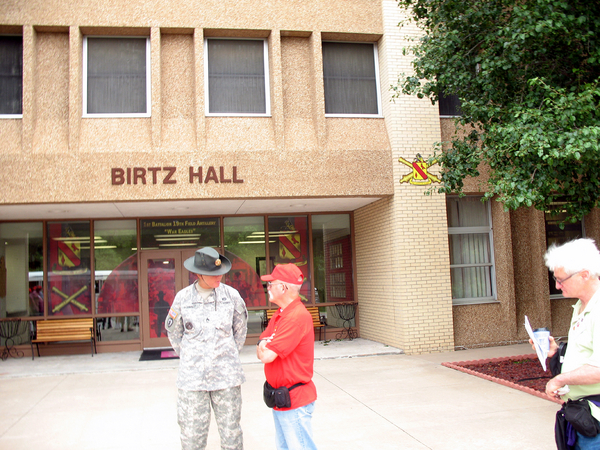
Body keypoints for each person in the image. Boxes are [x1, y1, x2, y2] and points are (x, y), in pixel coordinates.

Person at [166, 247, 248, 450]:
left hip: (226, 379)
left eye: (220, 273)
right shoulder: (183, 298)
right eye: (213, 274)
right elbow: (174, 335)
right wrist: (192, 358)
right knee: (192, 438)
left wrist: (225, 356)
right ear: (198, 274)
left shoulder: (232, 296)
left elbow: (240, 332)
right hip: (193, 382)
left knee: (232, 436)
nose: (218, 277)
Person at [536, 238, 600, 449]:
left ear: (585, 274)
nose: (557, 285)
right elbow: (585, 353)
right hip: (582, 416)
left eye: (561, 279)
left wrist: (559, 380)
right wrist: (556, 353)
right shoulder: (580, 306)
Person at [256, 263, 318, 450]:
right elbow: (261, 341)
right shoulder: (281, 314)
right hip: (281, 400)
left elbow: (266, 355)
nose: (267, 288)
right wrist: (263, 344)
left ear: (283, 287)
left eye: (271, 284)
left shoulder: (295, 317)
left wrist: (264, 346)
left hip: (294, 401)